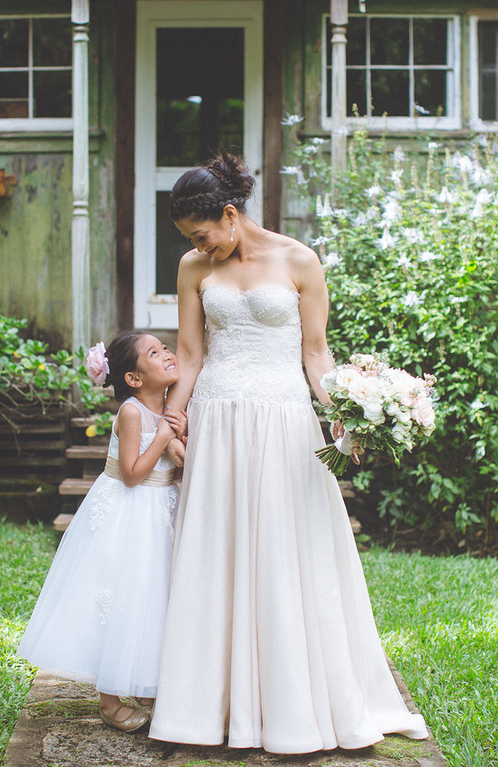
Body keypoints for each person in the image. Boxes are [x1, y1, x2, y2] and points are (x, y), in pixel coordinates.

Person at [149, 153, 428, 754]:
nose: (200, 247)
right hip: (219, 419)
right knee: (217, 550)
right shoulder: (192, 268)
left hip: (284, 419)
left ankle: (294, 701)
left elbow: (317, 354)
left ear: (230, 214)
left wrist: (342, 424)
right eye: (191, 241)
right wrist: (174, 414)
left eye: (203, 235)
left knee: (287, 545)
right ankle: (209, 705)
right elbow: (191, 355)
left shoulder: (299, 259)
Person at [18, 331, 185, 733]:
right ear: (133, 379)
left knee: (152, 597)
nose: (167, 353)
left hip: (159, 510)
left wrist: (178, 442)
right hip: (128, 514)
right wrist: (165, 436)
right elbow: (130, 475)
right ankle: (109, 700)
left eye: (164, 347)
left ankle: (143, 683)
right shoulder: (132, 413)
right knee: (120, 597)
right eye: (154, 352)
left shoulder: (171, 405)